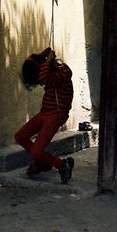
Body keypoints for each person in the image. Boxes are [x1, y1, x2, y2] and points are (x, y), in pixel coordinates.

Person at [14, 47, 75, 183]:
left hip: (55, 115)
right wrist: (41, 56)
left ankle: (61, 165)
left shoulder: (62, 72)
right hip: (45, 113)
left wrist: (48, 60)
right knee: (20, 137)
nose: (39, 82)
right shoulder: (48, 69)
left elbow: (44, 77)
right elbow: (36, 64)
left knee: (36, 151)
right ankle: (42, 163)